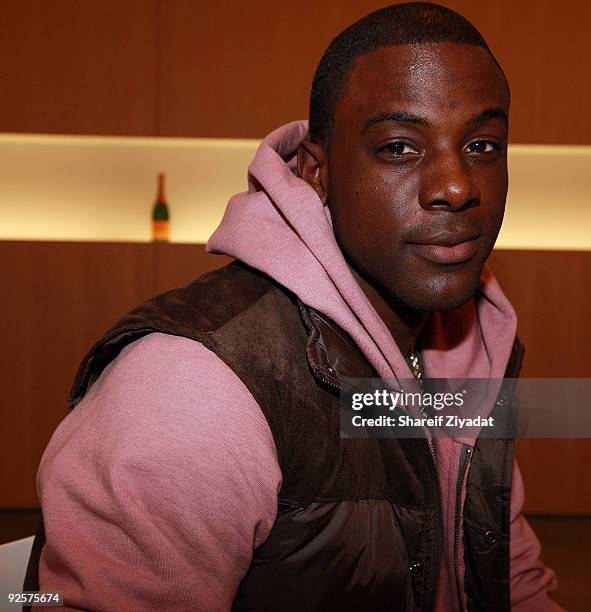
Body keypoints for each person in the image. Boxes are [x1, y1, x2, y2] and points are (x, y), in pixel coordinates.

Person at [27, 3, 562, 610]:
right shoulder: (191, 387)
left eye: (483, 144)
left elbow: (509, 576)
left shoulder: (468, 351)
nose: (458, 185)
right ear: (316, 174)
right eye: (398, 147)